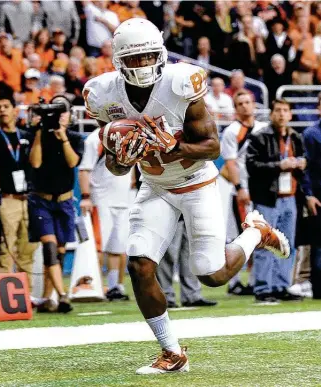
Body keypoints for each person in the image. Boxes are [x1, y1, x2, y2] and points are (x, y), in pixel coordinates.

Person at [83, 18, 290, 375]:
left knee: (210, 274)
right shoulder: (103, 95)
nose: (144, 66)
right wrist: (122, 156)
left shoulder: (180, 83)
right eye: (134, 60)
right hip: (155, 187)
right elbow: (115, 169)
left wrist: (173, 147)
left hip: (197, 182)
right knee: (139, 265)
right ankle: (172, 352)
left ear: (160, 54)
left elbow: (211, 148)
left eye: (149, 57)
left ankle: (254, 232)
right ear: (118, 61)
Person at [246, 99, 307, 304]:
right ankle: (263, 288)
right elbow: (252, 166)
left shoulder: (296, 137)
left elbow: (303, 162)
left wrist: (302, 164)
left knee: (287, 244)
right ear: (272, 114)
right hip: (267, 198)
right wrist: (279, 165)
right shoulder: (260, 137)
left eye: (285, 111)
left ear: (290, 115)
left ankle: (281, 286)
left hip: (290, 197)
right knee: (265, 243)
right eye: (278, 110)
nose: (282, 114)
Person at [28, 95, 84, 313]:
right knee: (50, 248)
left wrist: (63, 138)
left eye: (63, 110)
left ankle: (46, 298)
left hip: (64, 201)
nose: (59, 115)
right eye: (55, 110)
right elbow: (35, 162)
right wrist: (41, 131)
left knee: (59, 251)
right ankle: (63, 295)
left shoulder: (75, 137)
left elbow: (72, 162)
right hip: (41, 200)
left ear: (70, 114)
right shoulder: (37, 134)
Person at [221, 90, 267, 295]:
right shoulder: (232, 131)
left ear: (254, 104)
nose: (245, 106)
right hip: (243, 190)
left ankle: (258, 279)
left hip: (262, 189)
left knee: (261, 236)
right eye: (240, 103)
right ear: (235, 108)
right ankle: (235, 281)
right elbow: (230, 163)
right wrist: (239, 188)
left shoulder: (263, 128)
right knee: (240, 236)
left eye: (248, 102)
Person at [78, 128, 131, 301]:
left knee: (117, 247)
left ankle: (114, 287)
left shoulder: (128, 135)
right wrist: (86, 196)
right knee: (98, 248)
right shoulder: (95, 138)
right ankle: (96, 286)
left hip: (123, 198)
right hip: (102, 199)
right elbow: (84, 169)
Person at [0, 93, 38, 289]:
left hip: (28, 198)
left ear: (15, 110)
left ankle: (25, 297)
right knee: (5, 249)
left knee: (27, 249)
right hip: (7, 199)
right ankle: (0, 300)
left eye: (5, 106)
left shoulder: (27, 136)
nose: (2, 110)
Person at [157, 218, 218, 308]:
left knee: (191, 253)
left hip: (191, 212)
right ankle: (165, 297)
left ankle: (192, 296)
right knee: (168, 254)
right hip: (171, 211)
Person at [301, 92, 321, 299]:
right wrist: (308, 194)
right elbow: (305, 168)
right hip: (318, 194)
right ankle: (318, 289)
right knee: (319, 246)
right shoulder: (311, 134)